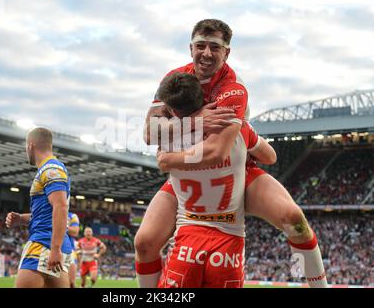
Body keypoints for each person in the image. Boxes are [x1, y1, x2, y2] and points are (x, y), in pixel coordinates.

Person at [135, 18, 327, 288]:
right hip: (190, 174)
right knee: (144, 242)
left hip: (235, 171)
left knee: (293, 220)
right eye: (200, 45)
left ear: (227, 52)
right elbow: (149, 133)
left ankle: (319, 286)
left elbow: (216, 150)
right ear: (191, 48)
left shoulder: (232, 88)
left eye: (215, 47)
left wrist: (167, 158)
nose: (206, 53)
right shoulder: (174, 80)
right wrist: (197, 120)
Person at [155, 72, 276, 287]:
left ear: (172, 110)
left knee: (144, 243)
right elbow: (270, 157)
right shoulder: (237, 130)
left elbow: (160, 152)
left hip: (188, 237)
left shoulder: (167, 144)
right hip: (228, 241)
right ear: (203, 100)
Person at [5, 126, 72, 288]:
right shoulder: (50, 169)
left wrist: (55, 248)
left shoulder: (50, 169)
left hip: (43, 244)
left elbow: (61, 207)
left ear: (30, 145)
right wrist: (21, 218)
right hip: (52, 243)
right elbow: (48, 212)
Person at [67, 211, 80, 288]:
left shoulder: (72, 216)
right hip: (49, 248)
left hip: (69, 250)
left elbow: (75, 232)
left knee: (71, 282)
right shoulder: (47, 212)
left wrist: (58, 224)